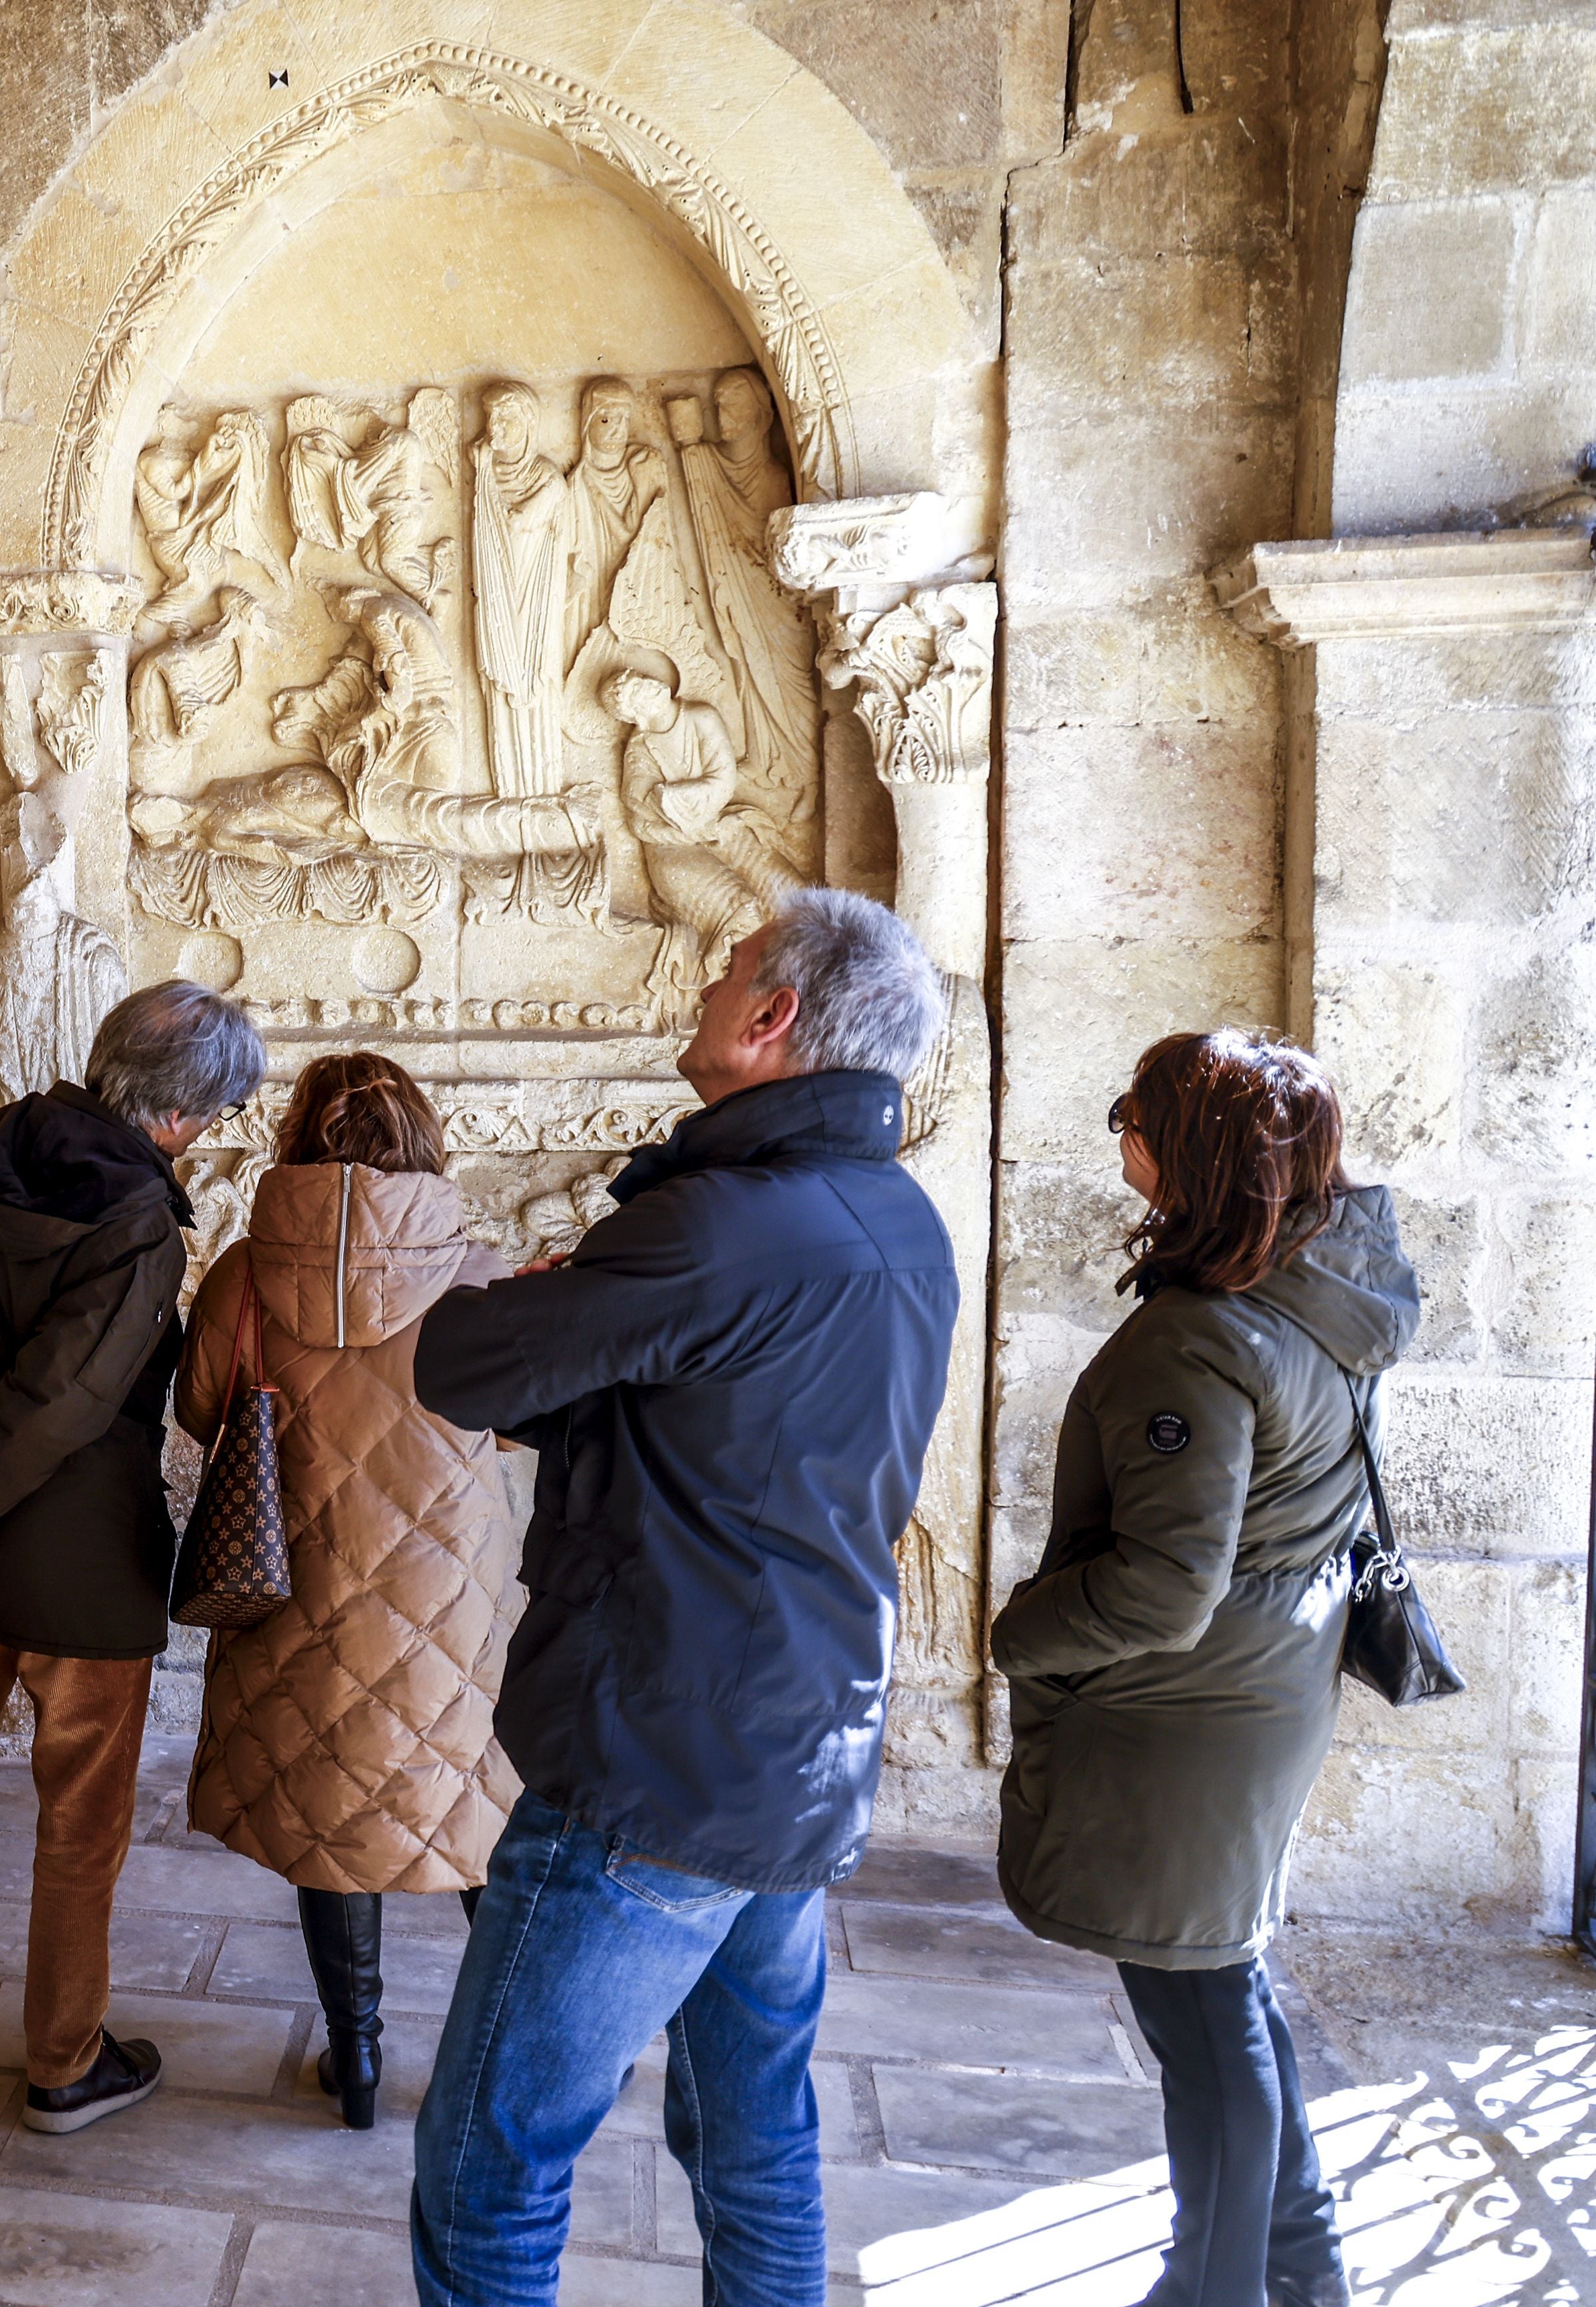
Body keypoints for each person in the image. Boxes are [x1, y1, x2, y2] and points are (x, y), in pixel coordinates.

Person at [405, 887, 955, 2306]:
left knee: (492, 2153)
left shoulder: (716, 1226)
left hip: (658, 1765)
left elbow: (462, 1365)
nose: (701, 989)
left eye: (723, 972)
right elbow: (722, 1429)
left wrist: (526, 1297)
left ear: (771, 1017)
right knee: (756, 2137)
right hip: (798, 1743)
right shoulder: (900, 1220)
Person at [995, 1033, 1419, 2307]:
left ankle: (1217, 2288)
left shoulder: (1203, 1339)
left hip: (1185, 1722)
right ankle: (1300, 2271)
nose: (1119, 1131)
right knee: (1224, 1991)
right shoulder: (1321, 1290)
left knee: (1204, 2020)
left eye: (1135, 1112)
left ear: (1194, 1155)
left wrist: (1018, 1634)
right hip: (1260, 1687)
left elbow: (1163, 1587)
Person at [0, 980, 268, 2135]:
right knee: (81, 1826)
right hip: (79, 1576)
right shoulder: (140, 1226)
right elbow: (59, 1407)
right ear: (190, 1114)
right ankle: (64, 2063)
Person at [172, 1052, 517, 2130]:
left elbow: (198, 1411)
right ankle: (509, 2058)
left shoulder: (243, 1277)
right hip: (451, 1603)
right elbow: (522, 1425)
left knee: (333, 1814)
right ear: (421, 1138)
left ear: (296, 1142)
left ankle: (356, 2061)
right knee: (476, 1815)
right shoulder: (478, 1275)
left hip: (299, 1592)